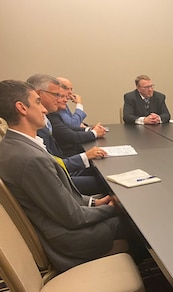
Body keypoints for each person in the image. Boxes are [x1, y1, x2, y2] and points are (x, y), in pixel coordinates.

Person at [0, 79, 130, 272]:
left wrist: (96, 203)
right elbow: (74, 217)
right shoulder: (31, 159)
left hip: (58, 224)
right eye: (37, 102)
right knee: (134, 222)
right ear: (21, 108)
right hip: (69, 239)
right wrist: (113, 209)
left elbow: (60, 198)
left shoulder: (14, 145)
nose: (44, 109)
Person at [26, 74, 107, 195]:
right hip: (62, 175)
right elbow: (53, 165)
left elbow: (68, 128)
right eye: (57, 95)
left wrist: (89, 131)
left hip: (63, 168)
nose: (61, 99)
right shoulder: (36, 126)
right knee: (105, 181)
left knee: (105, 172)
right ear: (38, 94)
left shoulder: (48, 117)